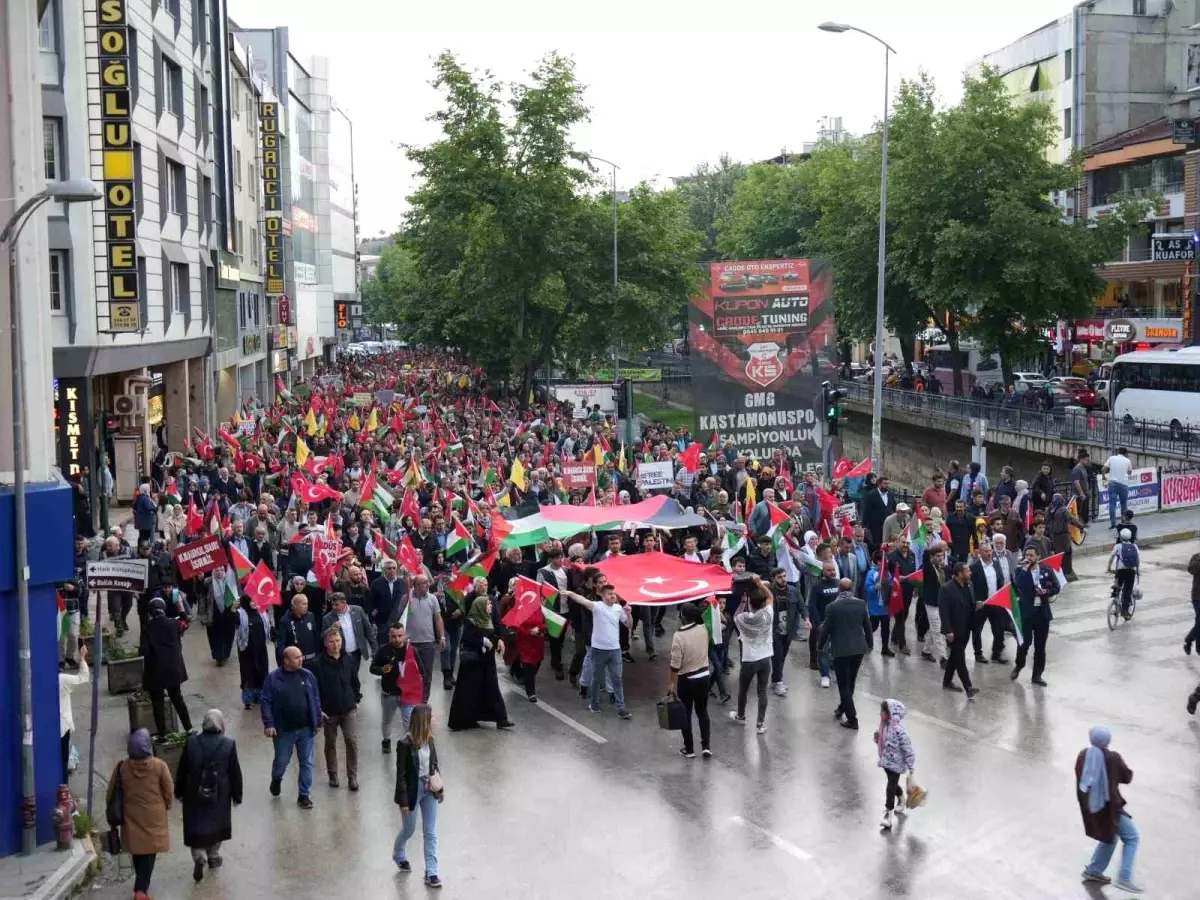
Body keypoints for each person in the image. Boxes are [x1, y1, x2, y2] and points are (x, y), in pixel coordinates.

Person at [174, 709, 243, 883]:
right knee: (217, 823)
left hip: (194, 792)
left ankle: (198, 856)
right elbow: (234, 771)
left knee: (196, 826)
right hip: (219, 793)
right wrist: (237, 795)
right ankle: (213, 855)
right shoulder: (228, 743)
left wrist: (179, 791)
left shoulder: (191, 742)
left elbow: (182, 769)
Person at [107, 729, 172, 900]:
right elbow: (168, 790)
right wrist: (168, 804)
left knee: (137, 851)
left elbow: (111, 793)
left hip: (131, 817)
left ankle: (140, 887)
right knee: (149, 853)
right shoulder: (159, 765)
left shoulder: (122, 767)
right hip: (154, 817)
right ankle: (141, 891)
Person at [1077, 726, 1141, 892]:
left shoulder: (1083, 755)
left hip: (1092, 807)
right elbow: (1127, 777)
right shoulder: (1112, 757)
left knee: (1109, 837)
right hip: (1110, 808)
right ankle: (1124, 878)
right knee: (1132, 837)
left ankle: (1094, 870)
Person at [261, 646, 322, 809]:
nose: (301, 659)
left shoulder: (307, 676)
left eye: (301, 656)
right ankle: (276, 778)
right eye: (296, 658)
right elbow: (266, 701)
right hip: (283, 731)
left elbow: (315, 698)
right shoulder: (273, 679)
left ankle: (304, 795)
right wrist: (269, 724)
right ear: (286, 661)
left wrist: (317, 720)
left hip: (305, 729)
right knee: (281, 761)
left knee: (307, 763)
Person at [393, 703, 444, 889]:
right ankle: (398, 853)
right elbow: (401, 775)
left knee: (430, 831)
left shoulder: (430, 739)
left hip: (429, 787)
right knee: (409, 830)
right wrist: (403, 801)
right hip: (413, 791)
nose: (434, 720)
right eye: (432, 717)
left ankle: (431, 872)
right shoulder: (404, 744)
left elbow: (434, 764)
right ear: (423, 721)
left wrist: (439, 787)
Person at [564, 584, 633, 719]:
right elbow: (582, 600)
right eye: (609, 593)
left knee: (617, 679)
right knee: (596, 679)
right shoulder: (597, 607)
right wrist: (570, 593)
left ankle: (621, 707)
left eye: (614, 593)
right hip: (598, 650)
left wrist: (629, 614)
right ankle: (594, 704)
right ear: (602, 595)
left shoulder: (619, 609)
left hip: (615, 650)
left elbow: (629, 625)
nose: (613, 596)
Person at [447, 595, 513, 730]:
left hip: (487, 661)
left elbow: (491, 633)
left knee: (492, 689)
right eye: (488, 604)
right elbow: (466, 639)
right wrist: (482, 641)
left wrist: (498, 640)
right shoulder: (471, 621)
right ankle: (465, 720)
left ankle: (501, 719)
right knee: (470, 691)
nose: (490, 606)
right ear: (480, 606)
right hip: (473, 663)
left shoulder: (487, 619)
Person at [819, 577, 873, 730]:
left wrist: (820, 646)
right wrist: (870, 644)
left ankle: (852, 718)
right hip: (858, 649)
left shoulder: (832, 607)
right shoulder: (861, 604)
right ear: (852, 589)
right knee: (851, 681)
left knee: (843, 685)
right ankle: (842, 708)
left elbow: (825, 629)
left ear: (839, 590)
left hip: (841, 651)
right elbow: (867, 626)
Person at [312, 627, 361, 790]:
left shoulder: (349, 660)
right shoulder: (318, 664)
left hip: (349, 709)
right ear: (326, 643)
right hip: (329, 712)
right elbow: (314, 689)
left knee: (352, 742)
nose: (335, 645)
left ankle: (352, 776)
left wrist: (357, 699)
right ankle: (333, 774)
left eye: (338, 641)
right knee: (330, 743)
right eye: (331, 642)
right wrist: (319, 709)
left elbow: (355, 682)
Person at [140, 596, 193, 736]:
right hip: (173, 670)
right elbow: (185, 623)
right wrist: (180, 606)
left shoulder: (147, 628)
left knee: (158, 705)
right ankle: (189, 728)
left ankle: (162, 734)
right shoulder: (173, 624)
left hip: (155, 672)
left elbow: (143, 651)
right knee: (177, 699)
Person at [666, 602, 712, 758]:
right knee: (702, 712)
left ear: (683, 617)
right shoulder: (703, 629)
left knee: (685, 713)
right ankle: (706, 746)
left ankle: (689, 749)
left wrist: (671, 684)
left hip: (687, 680)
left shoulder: (679, 635)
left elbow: (675, 665)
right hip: (704, 677)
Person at [371, 621, 424, 751]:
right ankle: (386, 740)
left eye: (400, 636)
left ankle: (410, 744)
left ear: (404, 635)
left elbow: (421, 670)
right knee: (387, 719)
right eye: (394, 636)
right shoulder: (383, 650)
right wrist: (382, 670)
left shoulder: (411, 650)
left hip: (407, 694)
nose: (397, 639)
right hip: (389, 694)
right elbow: (372, 668)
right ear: (389, 636)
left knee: (408, 721)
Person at [1011, 545, 1060, 686]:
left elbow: (1056, 587)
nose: (1029, 558)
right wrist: (1025, 569)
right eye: (1027, 555)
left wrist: (1046, 592)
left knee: (1040, 646)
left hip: (1042, 613)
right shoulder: (1021, 570)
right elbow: (1018, 584)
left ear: (1038, 557)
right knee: (1024, 643)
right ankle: (1019, 665)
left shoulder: (1046, 570)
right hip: (1026, 613)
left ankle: (1037, 675)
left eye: (1031, 555)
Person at [731, 575, 773, 734]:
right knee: (762, 690)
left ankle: (741, 716)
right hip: (765, 657)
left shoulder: (742, 619)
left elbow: (735, 615)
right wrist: (759, 584)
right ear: (762, 603)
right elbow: (770, 596)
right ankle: (760, 723)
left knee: (743, 689)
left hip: (749, 659)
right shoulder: (768, 614)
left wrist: (742, 601)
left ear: (750, 603)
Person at [400, 574, 446, 702]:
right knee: (410, 673)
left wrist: (442, 636)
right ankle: (410, 697)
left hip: (427, 642)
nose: (428, 584)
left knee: (427, 674)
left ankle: (423, 700)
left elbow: (438, 618)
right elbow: (400, 618)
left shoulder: (432, 599)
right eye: (425, 582)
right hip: (410, 642)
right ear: (417, 586)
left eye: (427, 582)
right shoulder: (406, 598)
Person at [939, 562, 978, 699]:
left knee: (955, 658)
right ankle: (969, 687)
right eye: (968, 571)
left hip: (966, 628)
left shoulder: (969, 585)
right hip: (953, 632)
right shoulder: (946, 588)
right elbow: (943, 613)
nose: (970, 573)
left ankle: (946, 681)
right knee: (960, 659)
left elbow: (969, 604)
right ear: (960, 574)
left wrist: (976, 606)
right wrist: (948, 631)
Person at [875, 700, 915, 831]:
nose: (880, 713)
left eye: (883, 711)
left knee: (889, 787)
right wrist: (877, 739)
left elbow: (908, 748)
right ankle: (901, 797)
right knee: (892, 785)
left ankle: (888, 814)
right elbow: (884, 742)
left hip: (896, 764)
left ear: (891, 713)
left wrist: (911, 766)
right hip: (886, 762)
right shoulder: (884, 725)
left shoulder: (898, 730)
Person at [321, 590, 377, 672]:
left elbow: (368, 630)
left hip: (356, 653)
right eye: (332, 604)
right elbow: (323, 637)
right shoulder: (327, 618)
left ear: (344, 602)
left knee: (354, 678)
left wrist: (374, 649)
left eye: (336, 604)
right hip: (340, 655)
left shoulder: (358, 610)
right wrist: (331, 629)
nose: (333, 607)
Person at [807, 560, 840, 687]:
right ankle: (825, 676)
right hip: (823, 623)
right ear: (823, 571)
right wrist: (818, 622)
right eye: (829, 570)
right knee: (823, 650)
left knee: (837, 650)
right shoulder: (817, 586)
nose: (832, 572)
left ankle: (837, 671)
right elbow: (812, 605)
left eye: (833, 570)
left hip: (838, 623)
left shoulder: (838, 583)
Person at [59, 643, 89, 782]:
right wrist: (82, 658)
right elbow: (83, 677)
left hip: (44, 728)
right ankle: (63, 790)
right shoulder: (61, 680)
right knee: (63, 758)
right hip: (62, 726)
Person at [276, 591, 320, 668]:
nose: (306, 606)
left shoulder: (310, 616)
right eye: (303, 604)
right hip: (296, 664)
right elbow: (281, 644)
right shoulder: (285, 621)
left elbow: (316, 637)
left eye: (307, 603)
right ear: (294, 606)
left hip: (312, 661)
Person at [1107, 528, 1139, 619]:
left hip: (1120, 571)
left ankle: (1115, 595)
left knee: (1118, 584)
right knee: (1127, 590)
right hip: (1131, 571)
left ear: (1120, 537)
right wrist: (1137, 571)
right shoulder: (1135, 546)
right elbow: (1138, 561)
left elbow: (1111, 558)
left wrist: (1109, 569)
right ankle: (1124, 611)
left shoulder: (1118, 546)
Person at [1102, 448, 1133, 530]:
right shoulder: (1127, 461)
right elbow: (1130, 472)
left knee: (1112, 505)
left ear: (1118, 452)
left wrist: (1104, 476)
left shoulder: (1112, 458)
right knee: (1124, 504)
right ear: (1126, 453)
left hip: (1112, 484)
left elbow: (1103, 469)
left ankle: (1113, 525)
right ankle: (1124, 522)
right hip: (1123, 484)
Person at [1186, 546, 1200, 656]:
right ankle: (1190, 640)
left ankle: (1191, 641)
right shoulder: (1195, 558)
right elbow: (1192, 570)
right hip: (1197, 597)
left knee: (1198, 622)